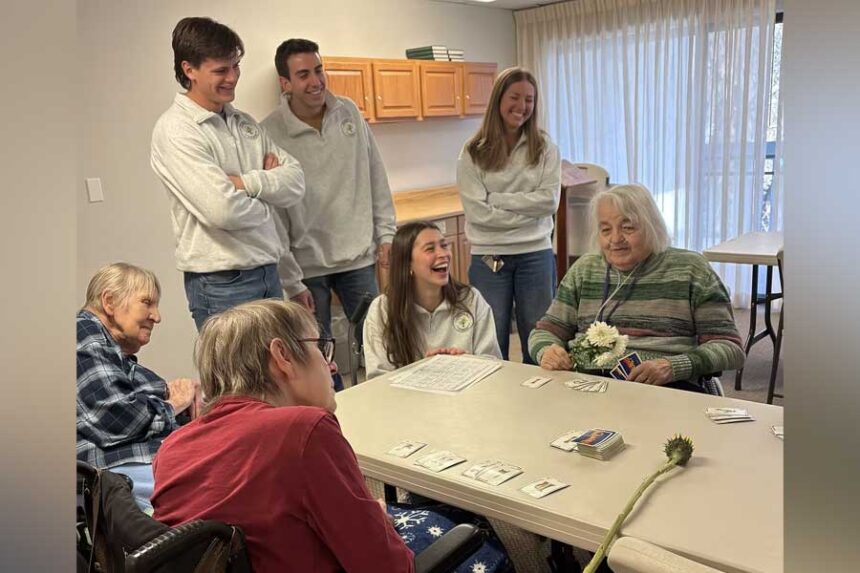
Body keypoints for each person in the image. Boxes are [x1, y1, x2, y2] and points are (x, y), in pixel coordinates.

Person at [151, 300, 509, 573]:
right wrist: (377, 520)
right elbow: (388, 567)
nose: (331, 365)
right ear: (282, 357)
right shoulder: (304, 431)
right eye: (321, 347)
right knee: (485, 543)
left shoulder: (172, 448)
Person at [151, 17, 307, 331]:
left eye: (236, 66)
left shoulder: (245, 123)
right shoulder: (176, 131)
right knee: (238, 381)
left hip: (267, 270)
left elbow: (296, 182)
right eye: (221, 70)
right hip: (221, 284)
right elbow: (223, 211)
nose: (233, 77)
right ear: (189, 69)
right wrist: (269, 198)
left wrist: (247, 183)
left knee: (278, 378)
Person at [262, 38, 396, 389]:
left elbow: (375, 175)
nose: (316, 81)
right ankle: (333, 424)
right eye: (303, 74)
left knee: (378, 346)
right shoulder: (269, 132)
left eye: (318, 70)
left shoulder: (348, 112)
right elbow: (272, 214)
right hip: (307, 268)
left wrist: (386, 234)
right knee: (316, 360)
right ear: (285, 83)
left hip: (358, 258)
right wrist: (289, 278)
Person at [528, 184, 745, 392]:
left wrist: (674, 366)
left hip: (664, 387)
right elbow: (546, 331)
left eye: (628, 227)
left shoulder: (691, 270)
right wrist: (548, 350)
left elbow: (729, 347)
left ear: (652, 227)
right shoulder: (585, 269)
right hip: (585, 382)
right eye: (605, 229)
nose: (615, 239)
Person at [457, 66, 561, 364]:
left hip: (535, 253)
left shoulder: (544, 147)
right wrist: (527, 212)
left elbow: (549, 202)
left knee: (539, 338)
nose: (522, 106)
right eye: (515, 97)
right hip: (489, 257)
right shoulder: (473, 151)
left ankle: (540, 403)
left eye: (529, 99)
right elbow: (478, 214)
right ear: (499, 99)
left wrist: (498, 199)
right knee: (490, 341)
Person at [77, 263, 200, 511]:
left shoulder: (119, 359)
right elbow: (116, 416)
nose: (157, 316)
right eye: (147, 303)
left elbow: (173, 398)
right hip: (120, 472)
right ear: (109, 302)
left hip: (147, 466)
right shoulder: (82, 332)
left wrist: (180, 396)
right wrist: (175, 403)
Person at [363, 221, 501, 379]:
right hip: (408, 401)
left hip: (466, 398)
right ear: (407, 263)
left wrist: (467, 364)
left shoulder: (470, 299)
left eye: (444, 245)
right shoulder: (382, 309)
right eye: (430, 249)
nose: (443, 254)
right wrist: (424, 372)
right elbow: (378, 379)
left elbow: (493, 362)